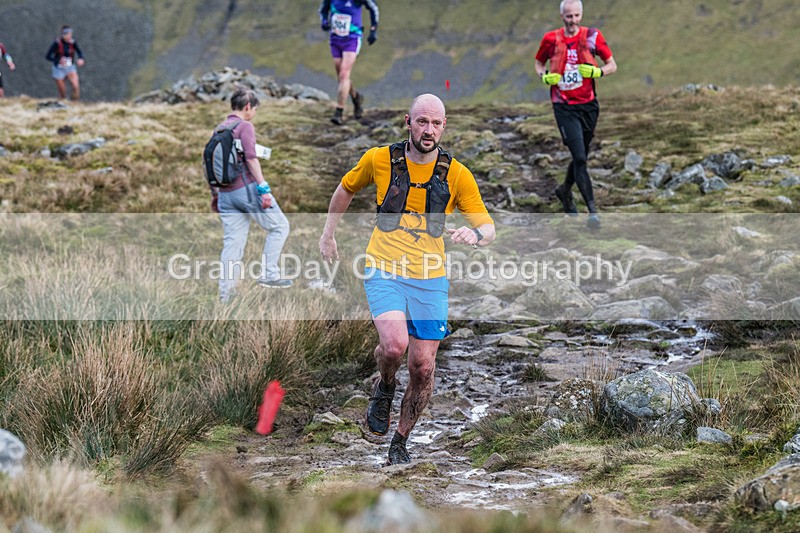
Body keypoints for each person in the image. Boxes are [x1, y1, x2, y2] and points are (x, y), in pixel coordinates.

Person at [319, 94, 495, 464]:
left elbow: (487, 225)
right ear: (408, 122)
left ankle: (399, 441)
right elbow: (346, 188)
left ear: (444, 126)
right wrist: (328, 234)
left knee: (423, 367)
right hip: (384, 268)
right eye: (422, 122)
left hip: (430, 278)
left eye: (436, 123)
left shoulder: (457, 173)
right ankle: (384, 384)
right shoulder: (379, 159)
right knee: (395, 346)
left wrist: (475, 235)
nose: (428, 130)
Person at [534, 0, 616, 229]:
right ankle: (593, 211)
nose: (573, 20)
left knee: (581, 156)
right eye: (569, 16)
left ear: (581, 15)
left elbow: (612, 65)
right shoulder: (551, 39)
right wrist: (544, 76)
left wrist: (597, 71)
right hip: (563, 106)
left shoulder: (592, 37)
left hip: (589, 106)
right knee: (579, 157)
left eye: (577, 15)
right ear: (562, 17)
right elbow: (538, 63)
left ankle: (564, 190)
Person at [210, 87, 292, 303]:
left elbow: (211, 163)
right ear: (248, 107)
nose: (253, 113)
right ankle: (269, 274)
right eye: (254, 109)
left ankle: (226, 295)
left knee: (232, 244)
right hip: (246, 190)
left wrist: (215, 195)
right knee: (280, 226)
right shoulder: (244, 126)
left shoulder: (219, 129)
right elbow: (251, 158)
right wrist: (264, 189)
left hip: (225, 195)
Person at [318, 0, 379, 125]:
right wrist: (324, 21)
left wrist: (373, 30)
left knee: (344, 74)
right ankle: (356, 98)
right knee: (342, 77)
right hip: (335, 39)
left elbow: (373, 9)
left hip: (352, 38)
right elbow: (323, 10)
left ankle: (339, 111)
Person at [45, 26, 85, 100]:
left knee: (75, 86)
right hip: (58, 69)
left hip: (70, 67)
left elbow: (79, 52)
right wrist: (57, 60)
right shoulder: (56, 43)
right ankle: (64, 102)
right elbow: (48, 56)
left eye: (70, 34)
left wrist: (81, 58)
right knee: (62, 91)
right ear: (62, 35)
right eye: (66, 34)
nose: (69, 36)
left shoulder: (73, 43)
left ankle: (75, 102)